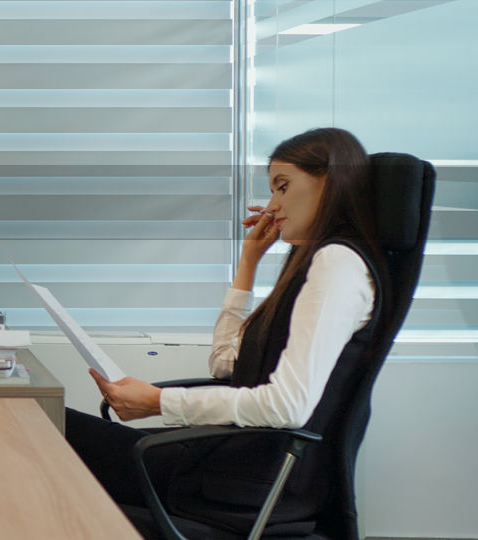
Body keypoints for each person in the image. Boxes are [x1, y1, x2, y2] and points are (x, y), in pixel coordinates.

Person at [65, 127, 388, 536]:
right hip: (228, 464)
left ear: (329, 180)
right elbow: (224, 366)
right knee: (49, 425)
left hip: (239, 484)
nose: (272, 206)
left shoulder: (337, 264)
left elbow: (287, 407)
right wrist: (248, 262)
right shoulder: (314, 264)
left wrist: (158, 402)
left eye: (283, 187)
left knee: (46, 430)